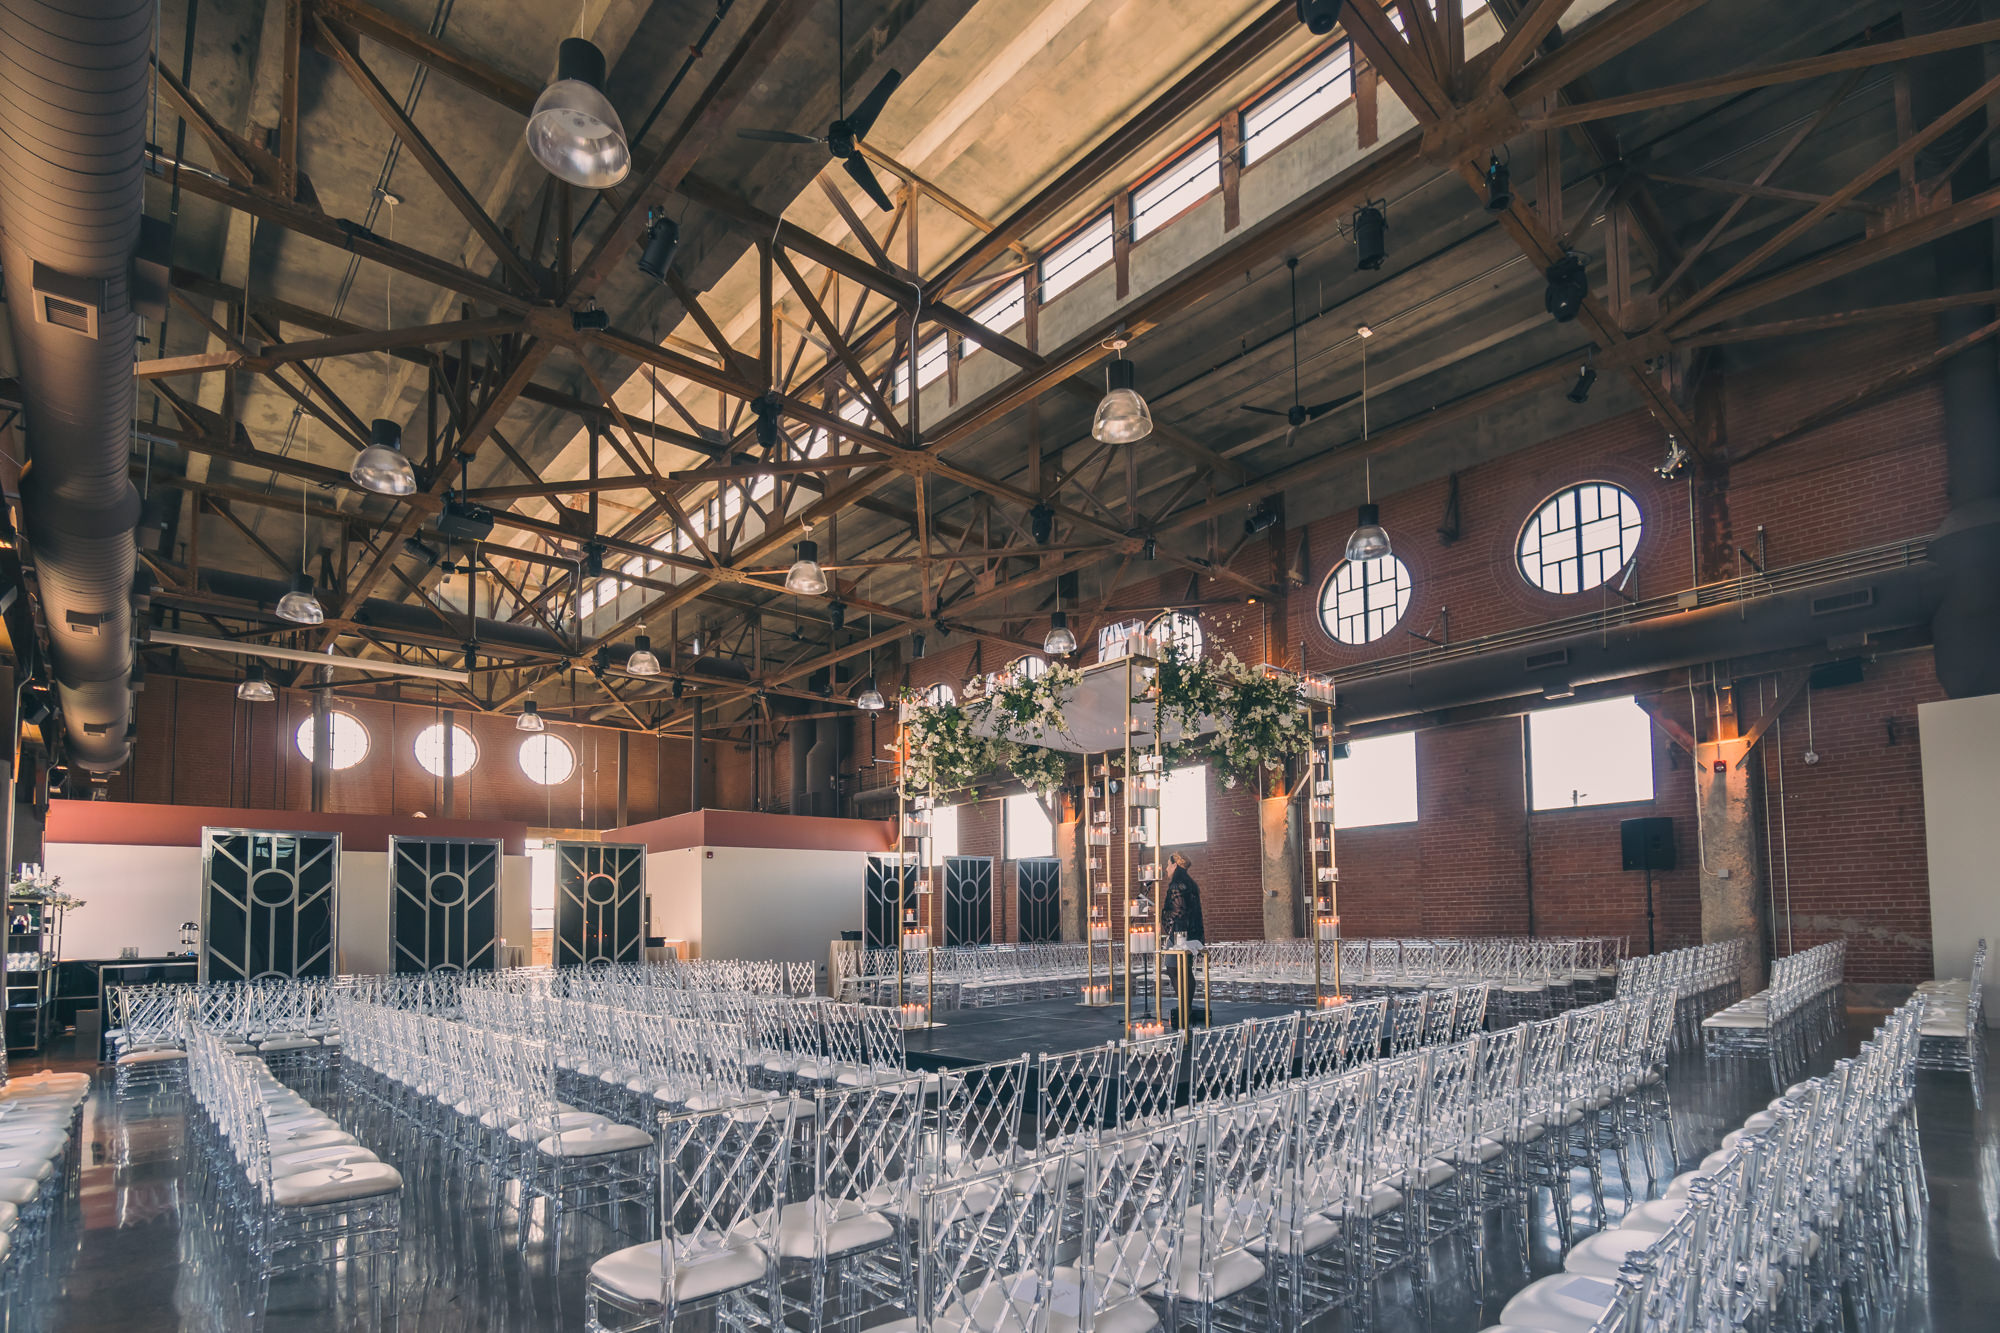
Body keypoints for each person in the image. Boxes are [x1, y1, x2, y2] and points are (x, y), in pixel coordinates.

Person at [1163, 852, 1204, 944]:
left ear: (1174, 866)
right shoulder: (1191, 884)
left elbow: (1179, 912)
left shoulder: (1176, 886)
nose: (1166, 869)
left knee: (1172, 959)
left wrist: (1160, 912)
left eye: (1168, 864)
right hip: (1191, 937)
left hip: (1178, 938)